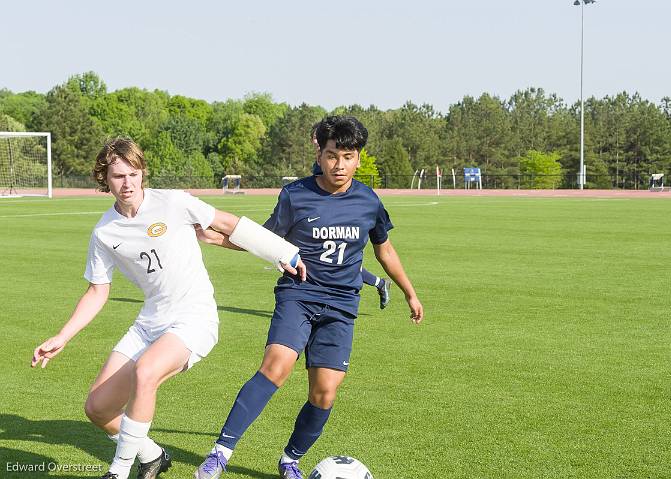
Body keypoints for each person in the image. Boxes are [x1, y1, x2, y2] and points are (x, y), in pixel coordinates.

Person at [31, 138, 305, 479]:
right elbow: (97, 291)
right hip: (150, 322)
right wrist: (63, 335)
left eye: (134, 174)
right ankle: (153, 455)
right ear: (105, 178)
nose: (128, 183)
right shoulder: (105, 232)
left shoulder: (173, 202)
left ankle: (118, 471)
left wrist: (281, 250)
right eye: (118, 176)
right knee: (98, 408)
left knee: (147, 372)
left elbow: (227, 225)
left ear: (143, 172)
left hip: (194, 318)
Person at [194, 115, 423, 479]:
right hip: (298, 295)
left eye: (348, 156)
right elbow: (265, 239)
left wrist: (410, 292)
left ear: (358, 158)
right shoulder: (296, 195)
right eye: (332, 155)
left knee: (325, 393)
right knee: (276, 366)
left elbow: (385, 250)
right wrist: (216, 238)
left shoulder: (368, 201)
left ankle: (290, 460)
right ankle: (220, 453)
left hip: (343, 305)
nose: (339, 165)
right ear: (320, 155)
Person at [311, 127, 391, 309]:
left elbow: (386, 251)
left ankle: (379, 283)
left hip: (333, 221)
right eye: (315, 139)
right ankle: (379, 283)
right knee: (336, 261)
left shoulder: (366, 198)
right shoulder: (320, 164)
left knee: (342, 262)